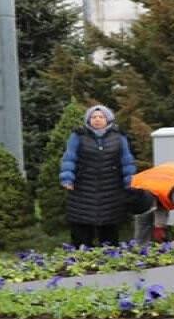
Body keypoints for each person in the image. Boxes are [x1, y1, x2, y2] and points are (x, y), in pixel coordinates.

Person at [58, 105, 136, 247]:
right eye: (94, 117)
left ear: (108, 119)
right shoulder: (78, 135)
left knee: (109, 231)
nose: (97, 120)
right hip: (83, 189)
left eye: (101, 117)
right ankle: (80, 260)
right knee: (81, 228)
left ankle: (110, 261)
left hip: (111, 190)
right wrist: (67, 178)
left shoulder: (119, 136)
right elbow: (69, 157)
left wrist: (130, 181)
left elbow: (127, 160)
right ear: (89, 120)